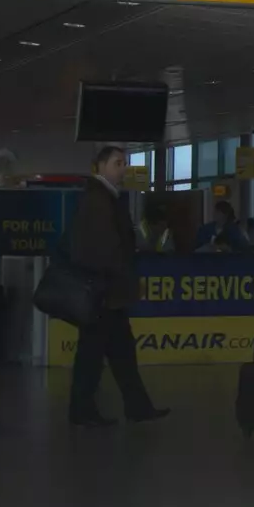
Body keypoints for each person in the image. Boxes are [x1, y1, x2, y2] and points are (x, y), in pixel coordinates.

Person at [68, 145, 168, 427]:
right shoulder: (100, 201)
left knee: (118, 353)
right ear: (99, 166)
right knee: (95, 354)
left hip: (107, 292)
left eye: (124, 163)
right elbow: (106, 247)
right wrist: (122, 276)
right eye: (117, 163)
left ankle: (136, 406)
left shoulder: (104, 198)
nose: (122, 169)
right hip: (105, 293)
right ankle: (86, 410)